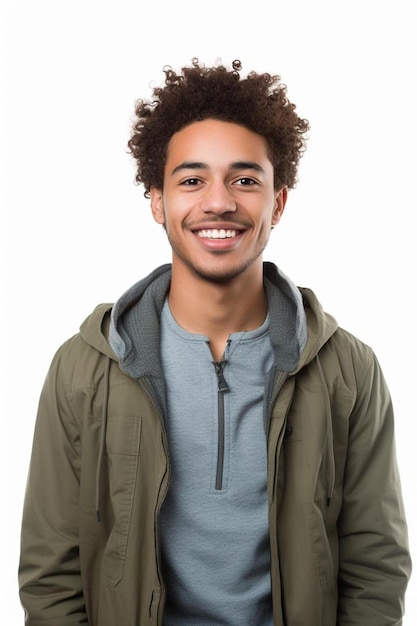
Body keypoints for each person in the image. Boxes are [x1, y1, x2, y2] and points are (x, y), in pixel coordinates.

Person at [18, 58, 411, 625]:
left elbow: (376, 565)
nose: (220, 202)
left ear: (278, 202)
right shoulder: (85, 367)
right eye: (192, 180)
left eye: (245, 180)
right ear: (158, 201)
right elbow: (51, 570)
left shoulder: (348, 369)